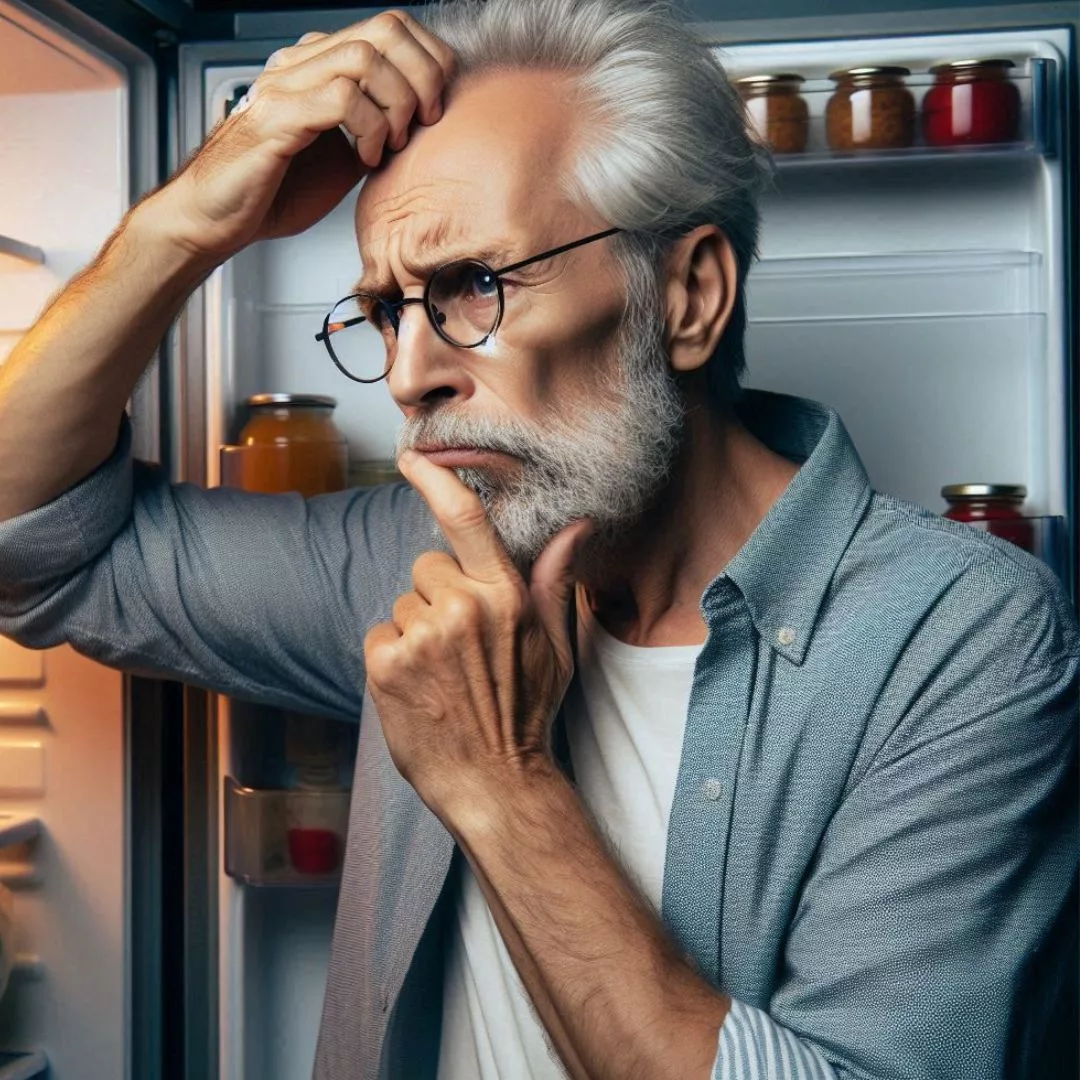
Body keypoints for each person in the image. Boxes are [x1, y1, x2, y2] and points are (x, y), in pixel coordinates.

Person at [0, 0, 1075, 1077]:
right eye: (387, 311)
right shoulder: (412, 563)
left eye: (475, 284)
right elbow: (30, 542)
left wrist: (500, 780)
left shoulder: (959, 640)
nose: (412, 374)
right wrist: (185, 222)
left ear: (689, 297)